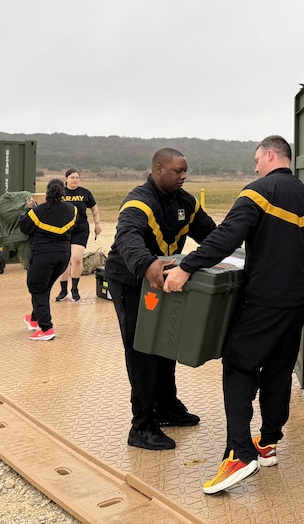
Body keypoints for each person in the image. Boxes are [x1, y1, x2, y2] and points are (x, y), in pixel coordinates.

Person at [162, 135, 304, 494]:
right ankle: (269, 441)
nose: (255, 167)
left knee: (239, 364)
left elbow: (228, 236)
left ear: (270, 155)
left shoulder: (260, 190)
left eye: (257, 160)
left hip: (265, 299)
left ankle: (240, 453)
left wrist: (188, 268)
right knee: (279, 366)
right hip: (296, 298)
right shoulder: (302, 193)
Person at [104, 148, 216, 451]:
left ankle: (166, 407)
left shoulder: (186, 202)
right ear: (158, 169)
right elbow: (127, 237)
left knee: (167, 342)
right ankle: (142, 425)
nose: (184, 176)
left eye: (185, 171)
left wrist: (233, 255)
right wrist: (147, 264)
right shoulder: (138, 202)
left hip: (164, 281)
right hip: (132, 281)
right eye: (178, 171)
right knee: (142, 350)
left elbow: (210, 234)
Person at [19, 179, 77, 341]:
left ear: (47, 192)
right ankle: (34, 318)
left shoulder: (38, 212)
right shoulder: (71, 210)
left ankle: (46, 328)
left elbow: (25, 227)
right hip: (63, 256)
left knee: (37, 288)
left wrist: (30, 210)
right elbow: (59, 219)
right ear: (62, 192)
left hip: (43, 256)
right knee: (44, 288)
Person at [54, 168, 102, 302]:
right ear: (66, 179)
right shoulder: (60, 192)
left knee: (76, 259)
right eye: (72, 177)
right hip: (63, 230)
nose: (75, 180)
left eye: (77, 177)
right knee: (64, 260)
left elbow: (94, 208)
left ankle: (74, 289)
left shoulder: (84, 193)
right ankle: (63, 290)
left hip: (80, 229)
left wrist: (97, 224)